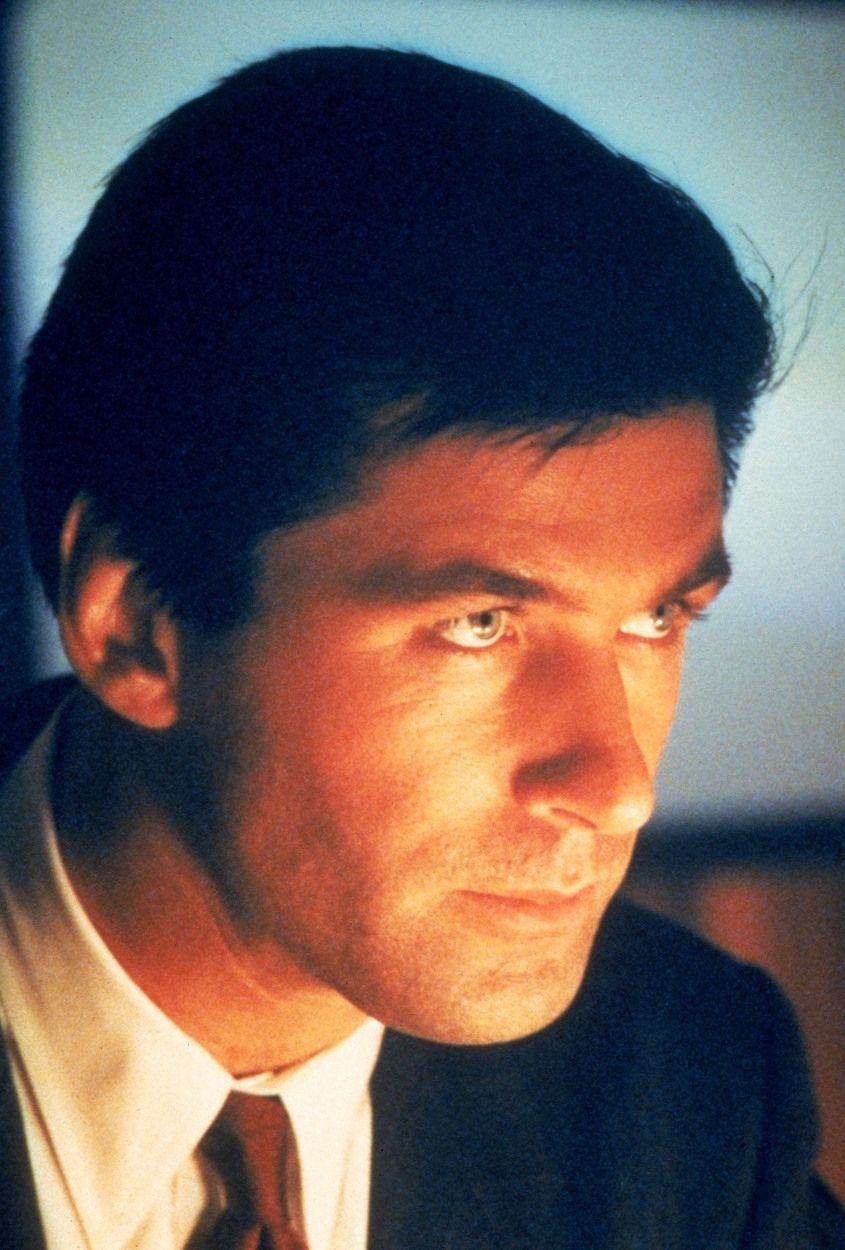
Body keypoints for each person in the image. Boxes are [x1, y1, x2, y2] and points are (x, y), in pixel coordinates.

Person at [0, 45, 842, 1250]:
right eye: (479, 623)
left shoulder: (692, 1086)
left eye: (655, 618)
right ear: (135, 621)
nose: (617, 786)